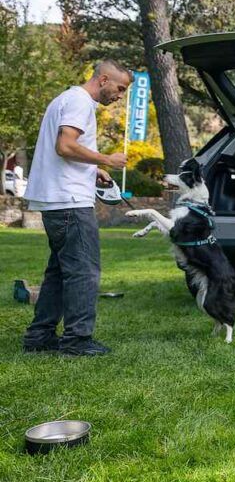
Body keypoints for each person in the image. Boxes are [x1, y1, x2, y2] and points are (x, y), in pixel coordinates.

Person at [22, 60, 132, 356]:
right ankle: (77, 340)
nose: (120, 95)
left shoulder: (66, 99)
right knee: (84, 272)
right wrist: (106, 160)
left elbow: (64, 152)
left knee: (59, 272)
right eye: (120, 88)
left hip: (56, 200)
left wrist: (92, 170)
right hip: (70, 202)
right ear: (103, 79)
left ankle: (39, 337)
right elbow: (65, 146)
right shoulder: (80, 102)